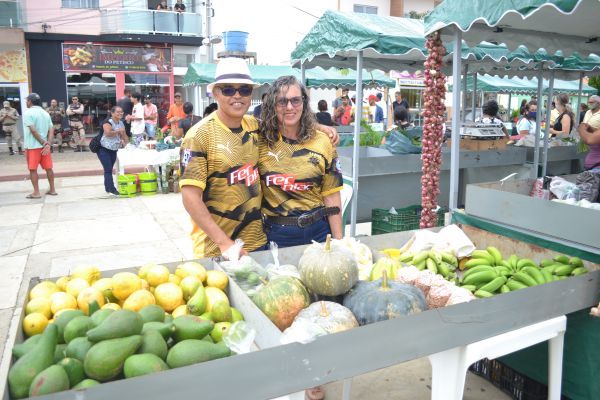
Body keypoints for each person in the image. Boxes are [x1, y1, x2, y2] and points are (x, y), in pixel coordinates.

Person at [179, 58, 338, 259]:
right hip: (217, 248)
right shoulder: (199, 136)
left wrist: (321, 127)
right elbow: (190, 197)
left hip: (258, 242)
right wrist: (225, 243)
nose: (237, 95)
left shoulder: (254, 126)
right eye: (229, 90)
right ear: (216, 92)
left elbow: (287, 120)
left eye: (244, 90)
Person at [258, 76, 342, 400]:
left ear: (305, 103)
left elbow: (332, 196)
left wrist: (340, 242)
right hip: (280, 233)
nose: (289, 106)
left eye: (296, 100)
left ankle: (313, 376)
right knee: (288, 309)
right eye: (282, 101)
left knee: (321, 306)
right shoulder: (260, 142)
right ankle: (288, 376)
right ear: (272, 105)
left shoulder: (322, 143)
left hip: (319, 231)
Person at [22, 93, 57, 199]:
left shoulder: (28, 113)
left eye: (27, 100)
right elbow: (51, 129)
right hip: (45, 147)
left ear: (30, 101)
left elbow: (33, 130)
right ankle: (52, 189)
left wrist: (43, 143)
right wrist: (48, 144)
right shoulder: (45, 113)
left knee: (33, 169)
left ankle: (36, 193)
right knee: (49, 168)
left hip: (33, 147)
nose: (26, 102)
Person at [98, 106, 128, 195]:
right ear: (112, 113)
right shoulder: (107, 122)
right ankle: (112, 189)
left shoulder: (121, 123)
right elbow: (107, 133)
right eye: (118, 112)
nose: (120, 114)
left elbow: (124, 135)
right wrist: (118, 131)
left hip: (114, 149)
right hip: (103, 149)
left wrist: (127, 144)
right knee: (108, 170)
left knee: (109, 169)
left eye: (121, 112)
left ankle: (107, 188)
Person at [578, 95, 600, 170]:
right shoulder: (587, 112)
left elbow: (590, 139)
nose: (589, 104)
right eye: (588, 102)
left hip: (594, 141)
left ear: (598, 103)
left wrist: (583, 129)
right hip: (585, 139)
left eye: (591, 102)